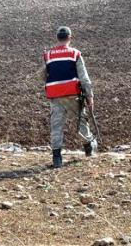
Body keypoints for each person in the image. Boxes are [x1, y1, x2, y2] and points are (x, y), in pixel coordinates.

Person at [42, 26, 96, 168]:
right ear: (70, 38)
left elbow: (43, 75)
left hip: (55, 95)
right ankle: (89, 149)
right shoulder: (75, 54)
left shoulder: (48, 55)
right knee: (80, 122)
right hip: (73, 95)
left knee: (56, 126)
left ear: (57, 38)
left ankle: (57, 158)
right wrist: (90, 96)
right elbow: (84, 77)